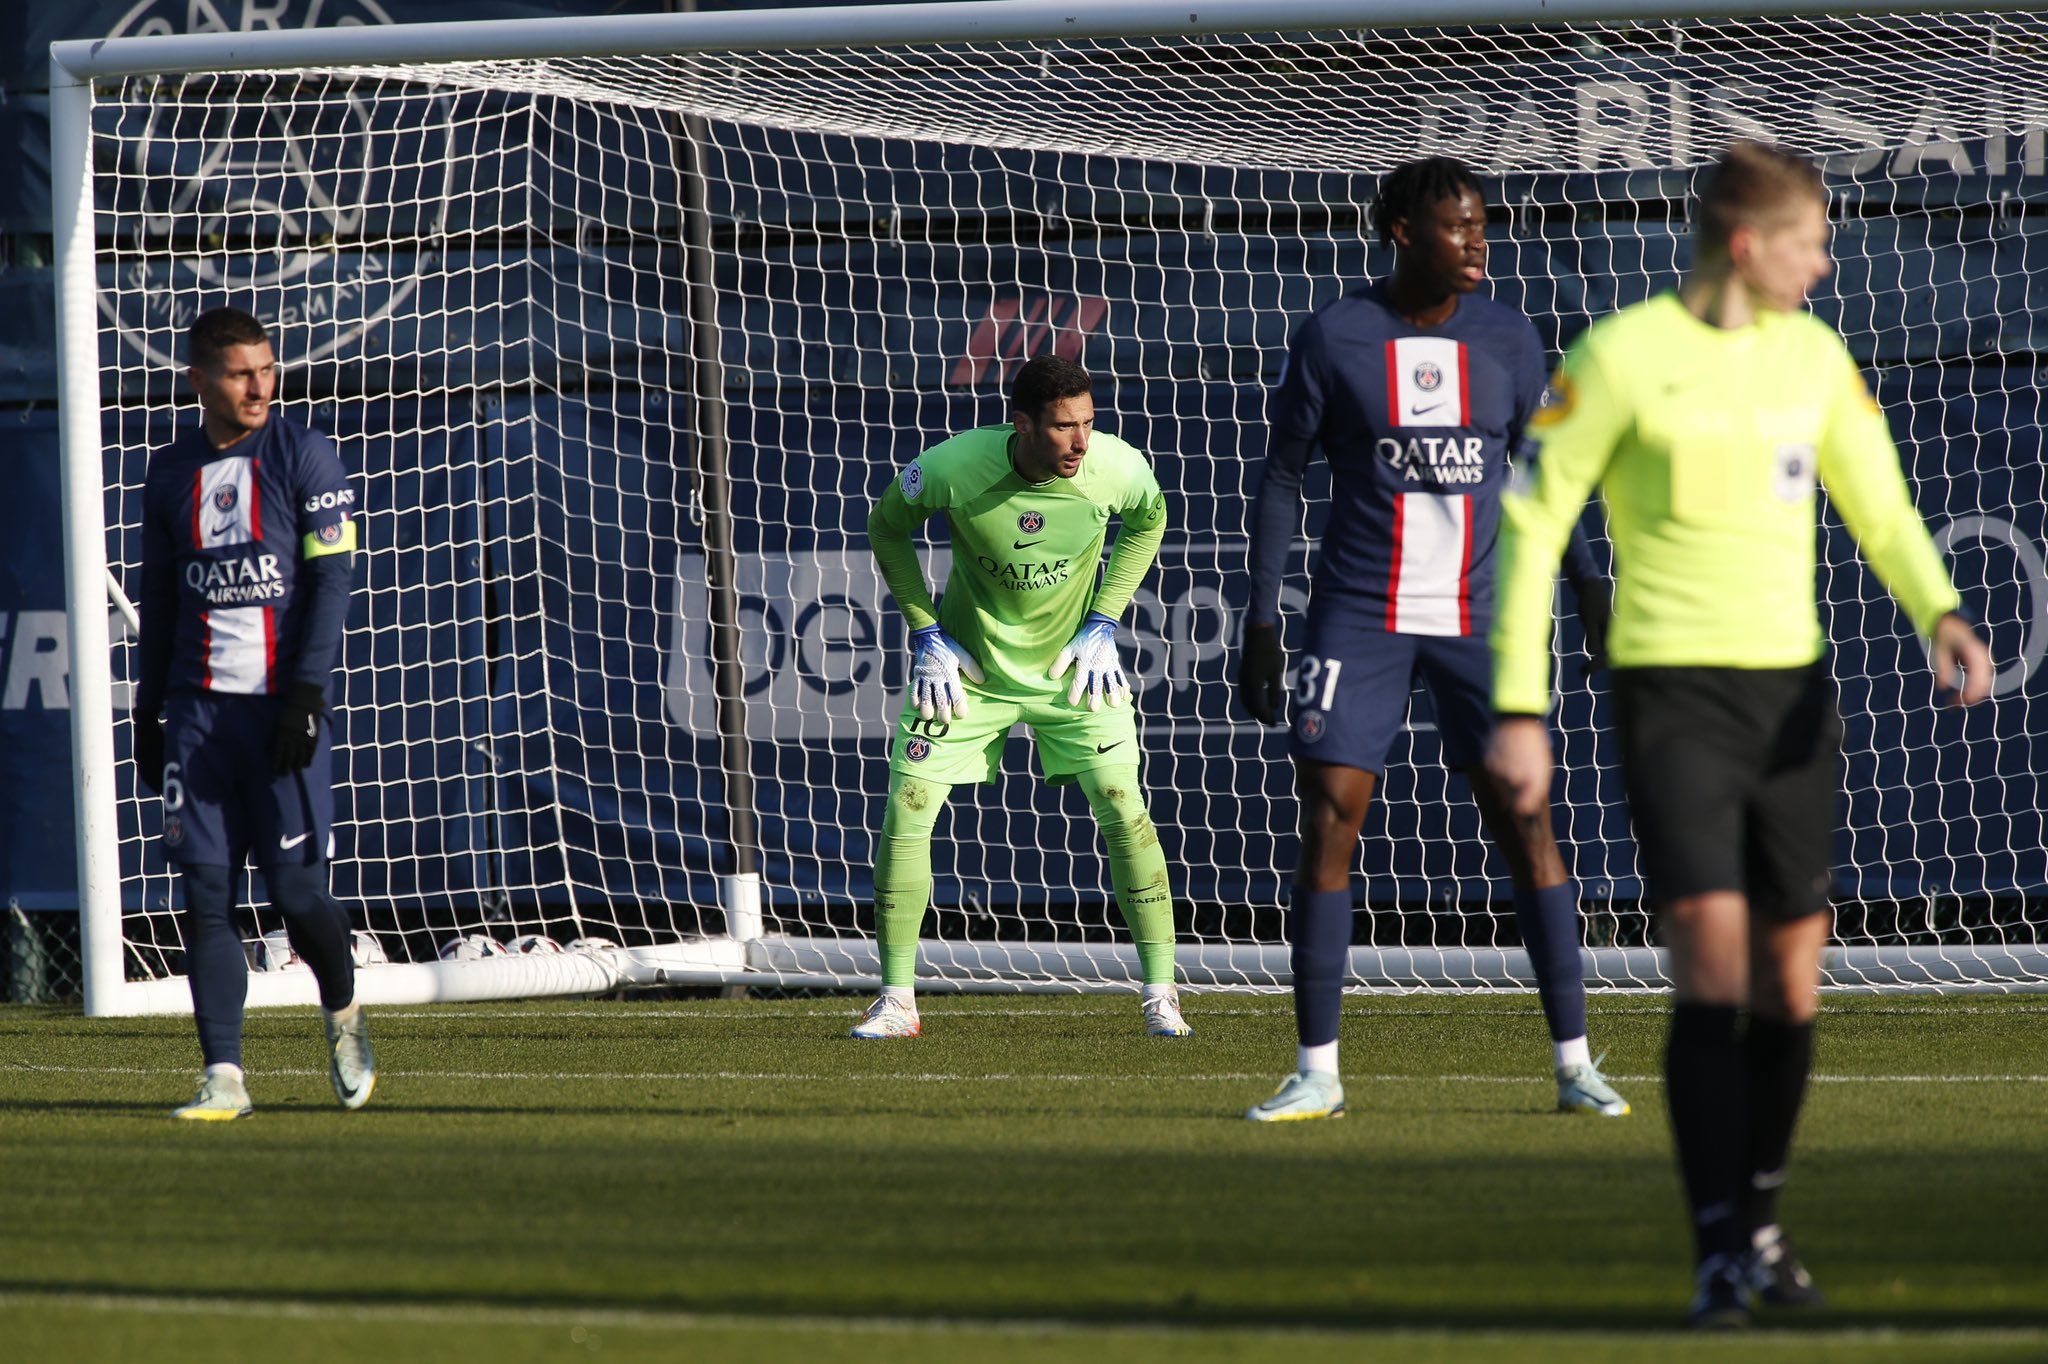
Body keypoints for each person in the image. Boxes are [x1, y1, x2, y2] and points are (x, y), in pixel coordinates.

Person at [1487, 141, 1993, 1327]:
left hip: (1790, 703)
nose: (1826, 264)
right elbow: (1529, 527)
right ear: (1747, 242)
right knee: (1710, 965)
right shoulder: (1616, 357)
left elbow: (1878, 502)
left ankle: (1759, 1219)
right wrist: (1519, 706)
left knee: (1787, 977)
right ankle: (1716, 1245)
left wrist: (1939, 609)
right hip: (1670, 696)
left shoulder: (1812, 359)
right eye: (1813, 242)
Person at [1236, 156, 1625, 1122]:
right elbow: (1282, 476)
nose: (1478, 240)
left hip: (1481, 615)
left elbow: (1545, 470)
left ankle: (1575, 1064)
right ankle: (1317, 1071)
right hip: (1359, 612)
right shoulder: (1334, 335)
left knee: (1525, 819)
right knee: (1331, 814)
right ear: (1403, 232)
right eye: (1458, 225)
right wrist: (1260, 614)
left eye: (1483, 224)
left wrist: (1589, 586)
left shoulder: (1511, 336)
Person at [856, 354, 1187, 1039]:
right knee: (907, 806)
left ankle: (1161, 996)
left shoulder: (1116, 469)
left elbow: (1148, 520)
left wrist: (1105, 619)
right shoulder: (951, 468)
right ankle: (896, 1001)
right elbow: (886, 527)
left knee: (1125, 807)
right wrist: (925, 632)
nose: (1080, 442)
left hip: (1074, 671)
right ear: (1024, 425)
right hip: (967, 674)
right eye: (1064, 427)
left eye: (1088, 424)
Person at [134, 306, 375, 1120]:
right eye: (241, 373)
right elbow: (162, 599)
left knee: (297, 893)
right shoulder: (169, 474)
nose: (260, 387)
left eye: (267, 370)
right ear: (199, 380)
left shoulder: (304, 453)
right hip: (198, 715)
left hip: (282, 711)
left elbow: (332, 583)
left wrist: (306, 694)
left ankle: (341, 1010)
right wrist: (145, 708)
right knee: (206, 894)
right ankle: (224, 1076)